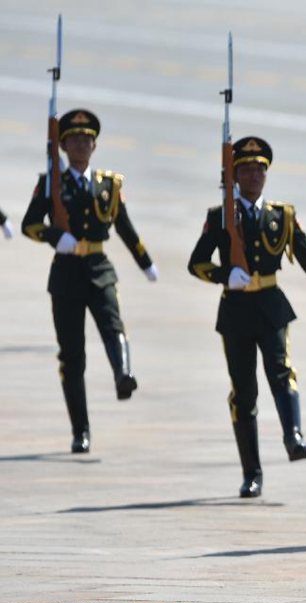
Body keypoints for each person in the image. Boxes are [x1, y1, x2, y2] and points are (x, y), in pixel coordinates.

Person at [188, 136, 306, 498]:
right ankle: (252, 472)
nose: (254, 175)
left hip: (271, 304)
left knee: (281, 371)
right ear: (233, 175)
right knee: (244, 392)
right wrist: (222, 275)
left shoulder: (282, 216)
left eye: (260, 168)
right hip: (235, 308)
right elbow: (195, 264)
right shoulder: (220, 217)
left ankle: (293, 436)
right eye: (246, 169)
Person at [22, 109, 158, 453]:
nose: (81, 144)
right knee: (72, 355)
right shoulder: (51, 183)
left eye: (87, 139)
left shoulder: (109, 186)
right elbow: (29, 224)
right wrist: (55, 236)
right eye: (74, 139)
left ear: (95, 145)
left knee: (113, 324)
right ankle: (80, 430)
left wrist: (145, 262)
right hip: (66, 271)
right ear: (64, 146)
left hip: (98, 267)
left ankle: (123, 374)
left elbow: (125, 227)